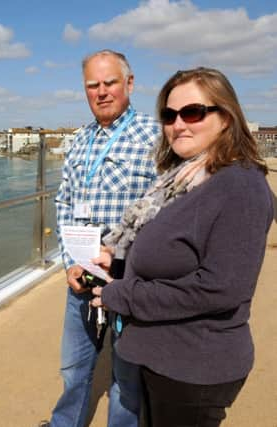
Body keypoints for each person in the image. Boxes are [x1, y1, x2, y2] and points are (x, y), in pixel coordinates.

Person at [90, 67, 273, 427]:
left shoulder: (239, 186)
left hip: (194, 367)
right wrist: (114, 268)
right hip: (161, 359)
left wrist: (125, 297)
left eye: (193, 113)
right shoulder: (183, 179)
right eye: (169, 115)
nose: (178, 124)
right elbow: (172, 254)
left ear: (226, 118)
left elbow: (220, 289)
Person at [44, 50, 160, 427]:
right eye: (92, 85)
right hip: (82, 273)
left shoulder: (156, 136)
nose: (101, 92)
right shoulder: (79, 140)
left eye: (110, 82)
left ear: (129, 84)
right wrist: (69, 262)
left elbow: (171, 207)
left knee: (126, 377)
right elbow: (64, 202)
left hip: (130, 277)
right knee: (73, 367)